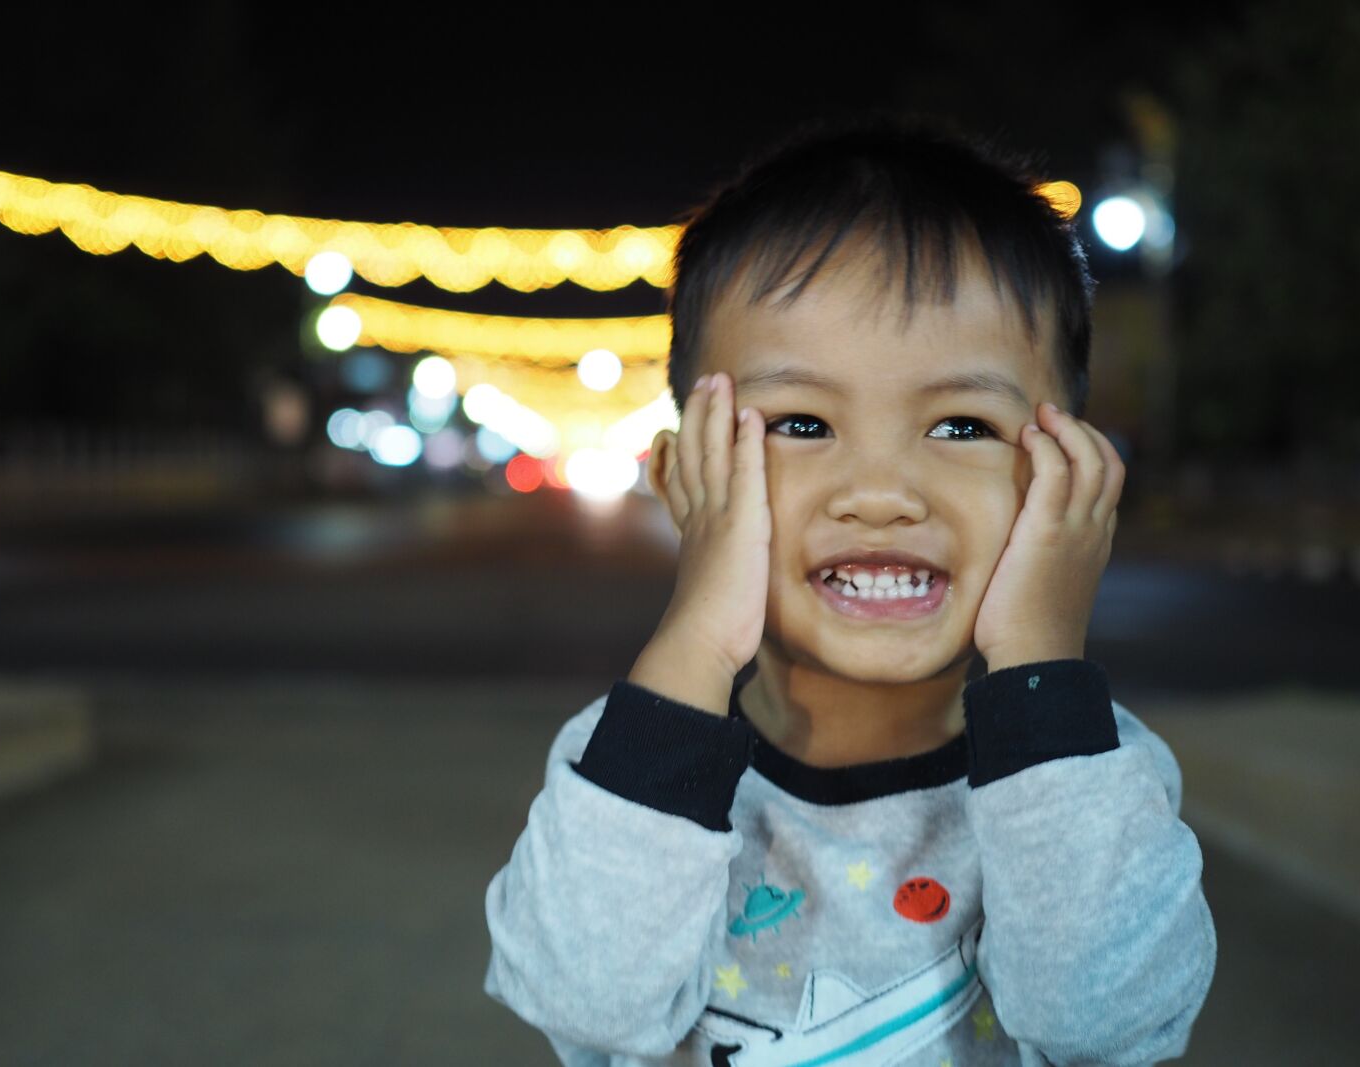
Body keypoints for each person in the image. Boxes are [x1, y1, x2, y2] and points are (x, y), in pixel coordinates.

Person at [484, 119, 1217, 1066]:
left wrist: (1040, 666)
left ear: (1067, 475)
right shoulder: (629, 763)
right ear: (684, 478)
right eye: (800, 421)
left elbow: (1110, 1024)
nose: (880, 493)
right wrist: (697, 639)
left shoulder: (1090, 772)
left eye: (960, 426)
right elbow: (583, 1000)